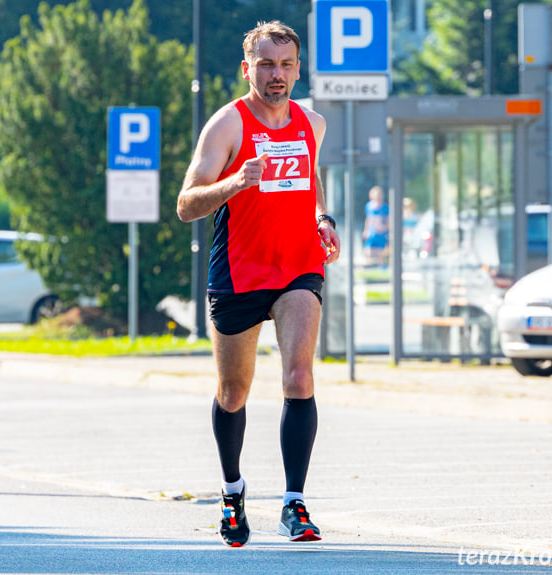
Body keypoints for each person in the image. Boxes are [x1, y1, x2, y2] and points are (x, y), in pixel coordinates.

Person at [177, 21, 340, 547]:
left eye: (287, 65)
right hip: (239, 272)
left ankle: (294, 504)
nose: (277, 75)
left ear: (298, 68)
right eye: (266, 65)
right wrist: (234, 181)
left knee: (298, 378)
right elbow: (185, 205)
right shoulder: (227, 124)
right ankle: (232, 491)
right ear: (248, 69)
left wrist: (323, 219)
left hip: (297, 266)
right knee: (234, 391)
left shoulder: (311, 123)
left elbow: (311, 182)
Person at [363, 185, 389, 266]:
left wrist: (383, 228)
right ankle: (369, 268)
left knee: (380, 254)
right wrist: (366, 230)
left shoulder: (385, 208)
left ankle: (381, 268)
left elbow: (390, 222)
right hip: (372, 234)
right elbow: (368, 219)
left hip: (381, 235)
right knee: (368, 252)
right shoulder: (369, 206)